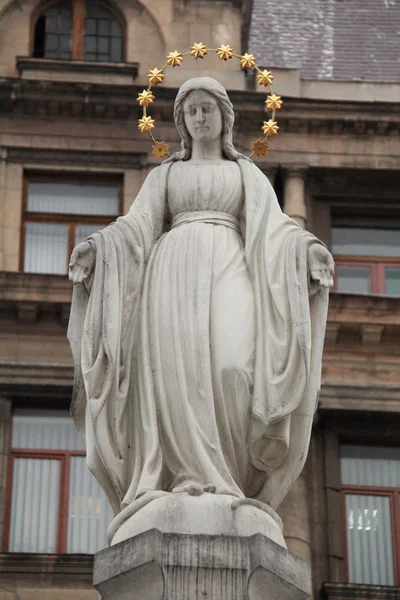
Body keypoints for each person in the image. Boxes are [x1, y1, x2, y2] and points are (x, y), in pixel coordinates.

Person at [68, 77, 333, 524]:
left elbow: (275, 229)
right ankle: (185, 476)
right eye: (191, 111)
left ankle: (230, 477)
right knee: (175, 371)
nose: (199, 117)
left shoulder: (244, 172)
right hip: (170, 278)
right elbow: (135, 228)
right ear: (181, 122)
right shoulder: (165, 174)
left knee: (233, 367)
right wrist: (98, 247)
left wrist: (306, 250)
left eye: (207, 108)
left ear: (224, 116)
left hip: (231, 265)